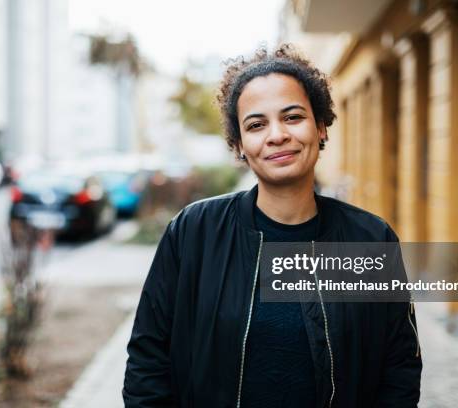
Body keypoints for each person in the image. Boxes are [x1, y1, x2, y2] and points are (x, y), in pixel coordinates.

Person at [123, 44, 422, 408]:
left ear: (322, 127)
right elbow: (147, 362)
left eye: (293, 117)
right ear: (239, 146)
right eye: (256, 125)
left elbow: (400, 367)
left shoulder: (371, 240)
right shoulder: (192, 233)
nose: (277, 135)